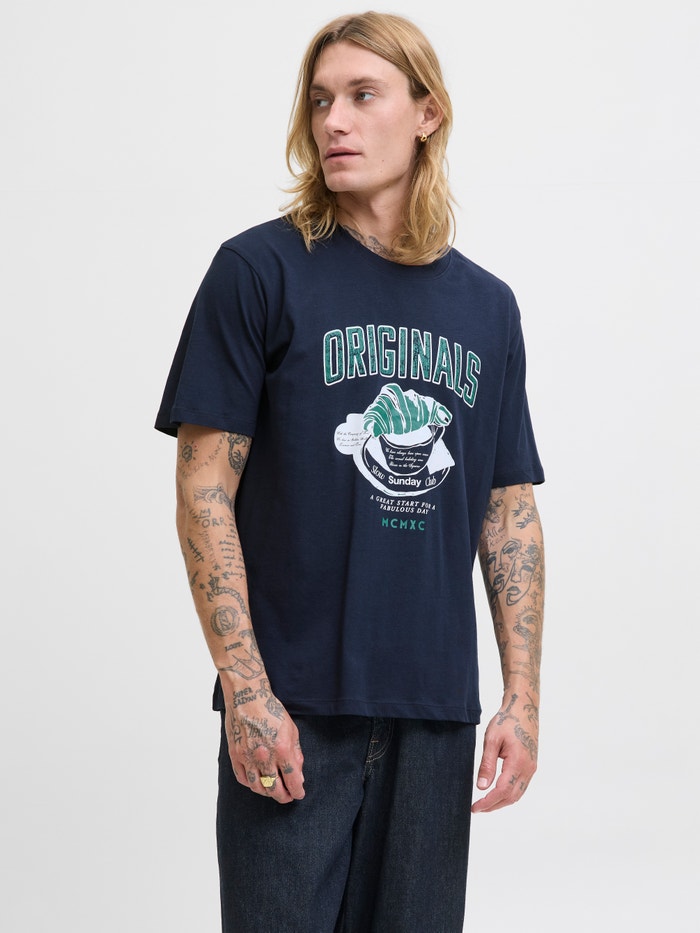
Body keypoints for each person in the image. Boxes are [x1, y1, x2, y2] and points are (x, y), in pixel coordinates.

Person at [155, 10, 545, 932]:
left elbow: (508, 509)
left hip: (434, 716)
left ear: (427, 113)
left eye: (364, 95)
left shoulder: (487, 307)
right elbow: (203, 489)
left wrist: (521, 699)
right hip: (293, 711)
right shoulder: (258, 270)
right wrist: (246, 690)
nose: (334, 120)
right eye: (321, 99)